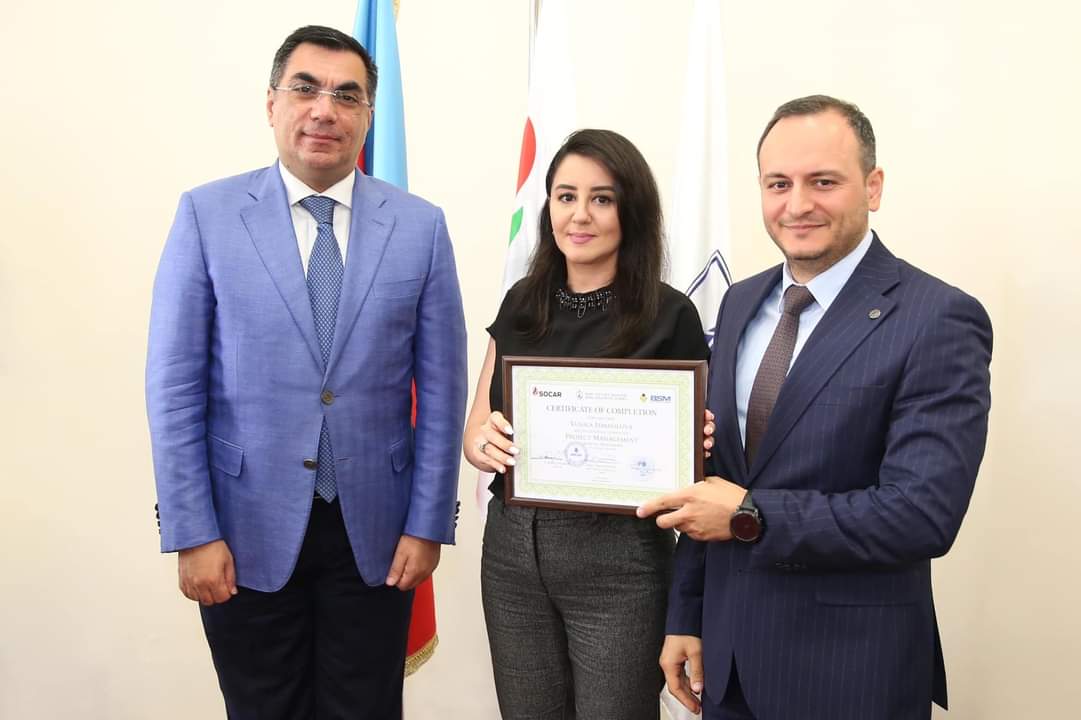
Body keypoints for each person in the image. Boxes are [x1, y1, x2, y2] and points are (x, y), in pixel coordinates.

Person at [145, 25, 467, 719]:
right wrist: (192, 530)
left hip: (378, 534)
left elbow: (442, 393)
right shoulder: (207, 215)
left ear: (368, 116)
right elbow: (173, 389)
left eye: (347, 95)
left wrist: (427, 524)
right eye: (305, 89)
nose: (325, 109)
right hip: (242, 530)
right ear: (271, 103)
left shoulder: (420, 227)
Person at [638, 95, 993, 720]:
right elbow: (713, 478)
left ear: (873, 187)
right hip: (727, 668)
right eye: (778, 183)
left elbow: (921, 514)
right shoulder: (739, 303)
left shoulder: (937, 318)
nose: (797, 204)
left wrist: (749, 516)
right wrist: (686, 614)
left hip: (852, 674)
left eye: (823, 182)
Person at [463, 129, 710, 719]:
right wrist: (481, 443)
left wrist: (698, 440)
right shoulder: (522, 300)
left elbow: (699, 454)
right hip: (513, 552)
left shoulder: (670, 313)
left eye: (601, 198)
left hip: (621, 560)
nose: (579, 215)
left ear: (632, 210)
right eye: (565, 196)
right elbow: (476, 431)